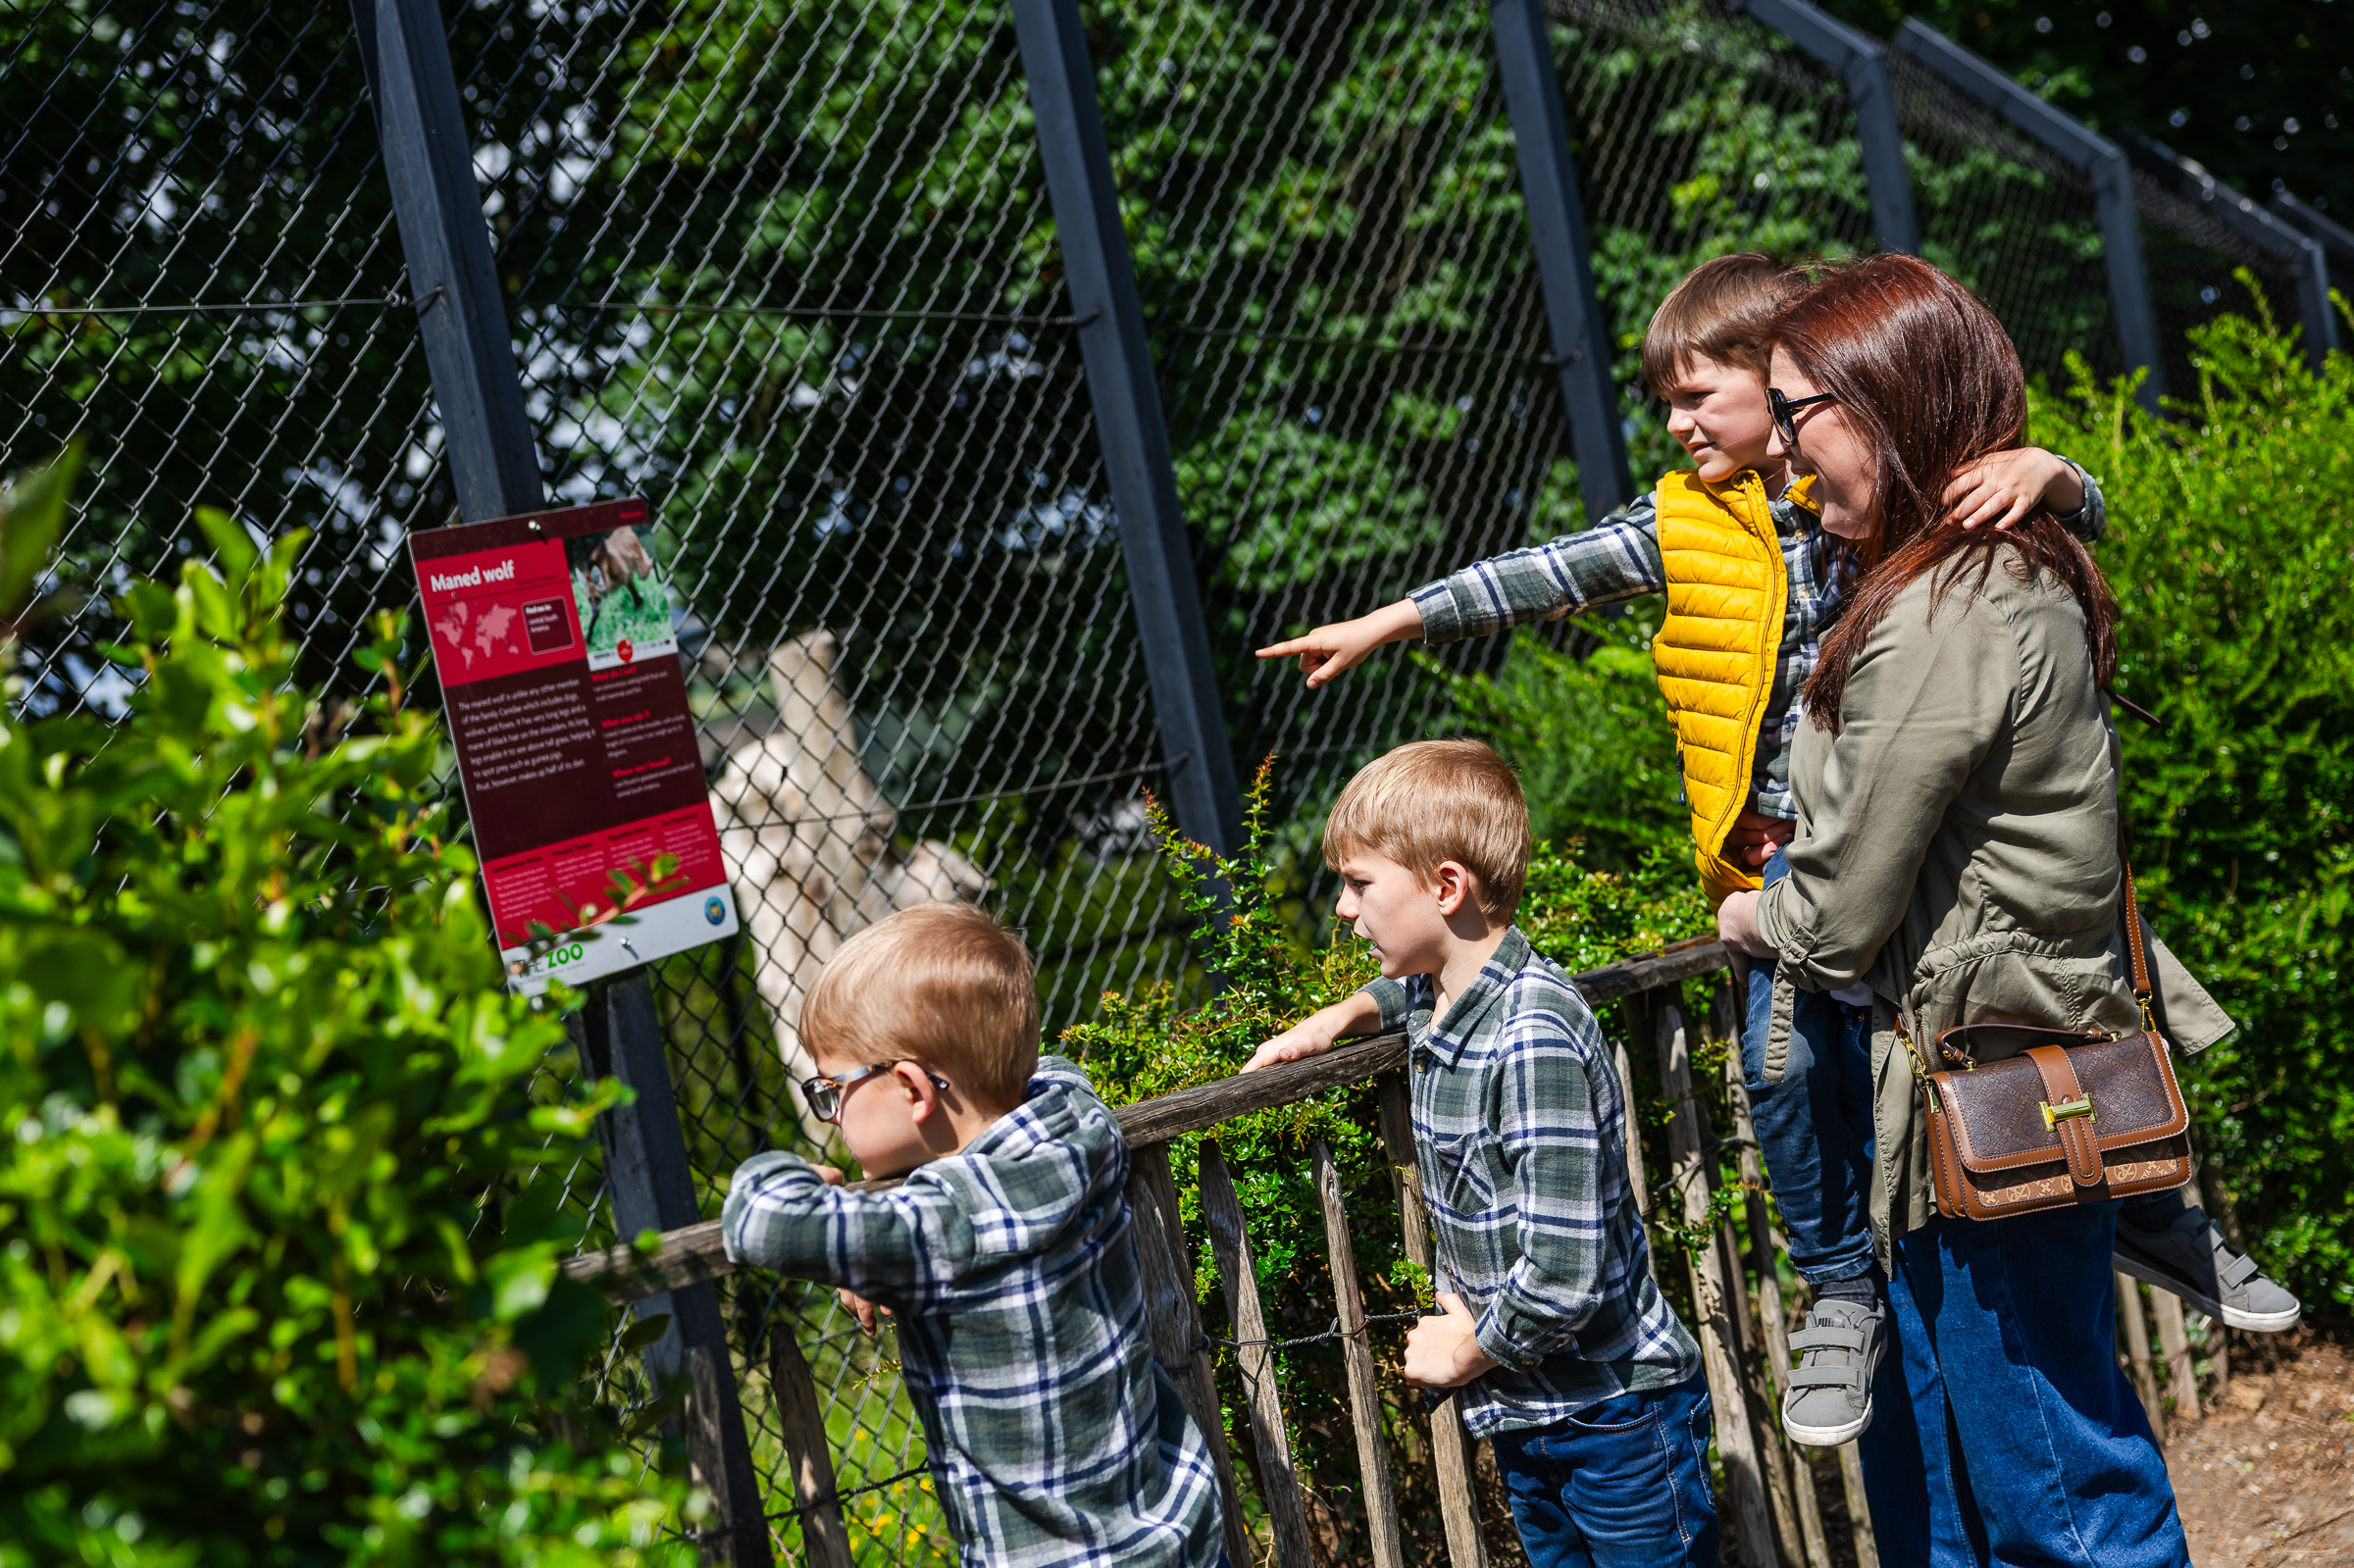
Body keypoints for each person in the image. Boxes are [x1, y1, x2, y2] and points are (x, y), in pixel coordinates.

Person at [1252, 253, 2224, 1449]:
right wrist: (1392, 619)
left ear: (1787, 392)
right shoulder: (1687, 522)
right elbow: (1539, 575)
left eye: (1701, 392)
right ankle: (1838, 1289)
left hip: (1903, 857)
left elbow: (2039, 511)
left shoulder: (1883, 501)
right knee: (1785, 1076)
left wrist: (2060, 474)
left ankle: (2156, 1189)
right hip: (1781, 871)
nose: (1674, 420)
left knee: (2050, 970)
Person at [1713, 252, 2236, 1565]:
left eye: (1794, 413)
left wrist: (1755, 921)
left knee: (2062, 1500)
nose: (1780, 454)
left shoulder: (1947, 606)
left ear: (1880, 403)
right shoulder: (1975, 568)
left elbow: (1833, 919)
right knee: (2007, 1495)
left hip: (1984, 1082)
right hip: (1979, 1079)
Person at [1247, 739, 1716, 1568]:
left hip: (1614, 1421)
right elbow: (1412, 989)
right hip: (1533, 1409)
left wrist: (1463, 1354)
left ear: (1448, 886)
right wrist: (1340, 1016)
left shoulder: (1530, 1035)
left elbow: (1563, 1275)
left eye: (1360, 884)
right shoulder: (1446, 997)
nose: (1345, 910)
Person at [720, 902, 1228, 1568]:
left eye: (831, 1091)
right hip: (1177, 1534)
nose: (831, 1115)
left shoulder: (936, 1225)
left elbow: (759, 1220)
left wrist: (792, 1174)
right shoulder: (1082, 1124)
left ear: (911, 1089)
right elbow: (1056, 1067)